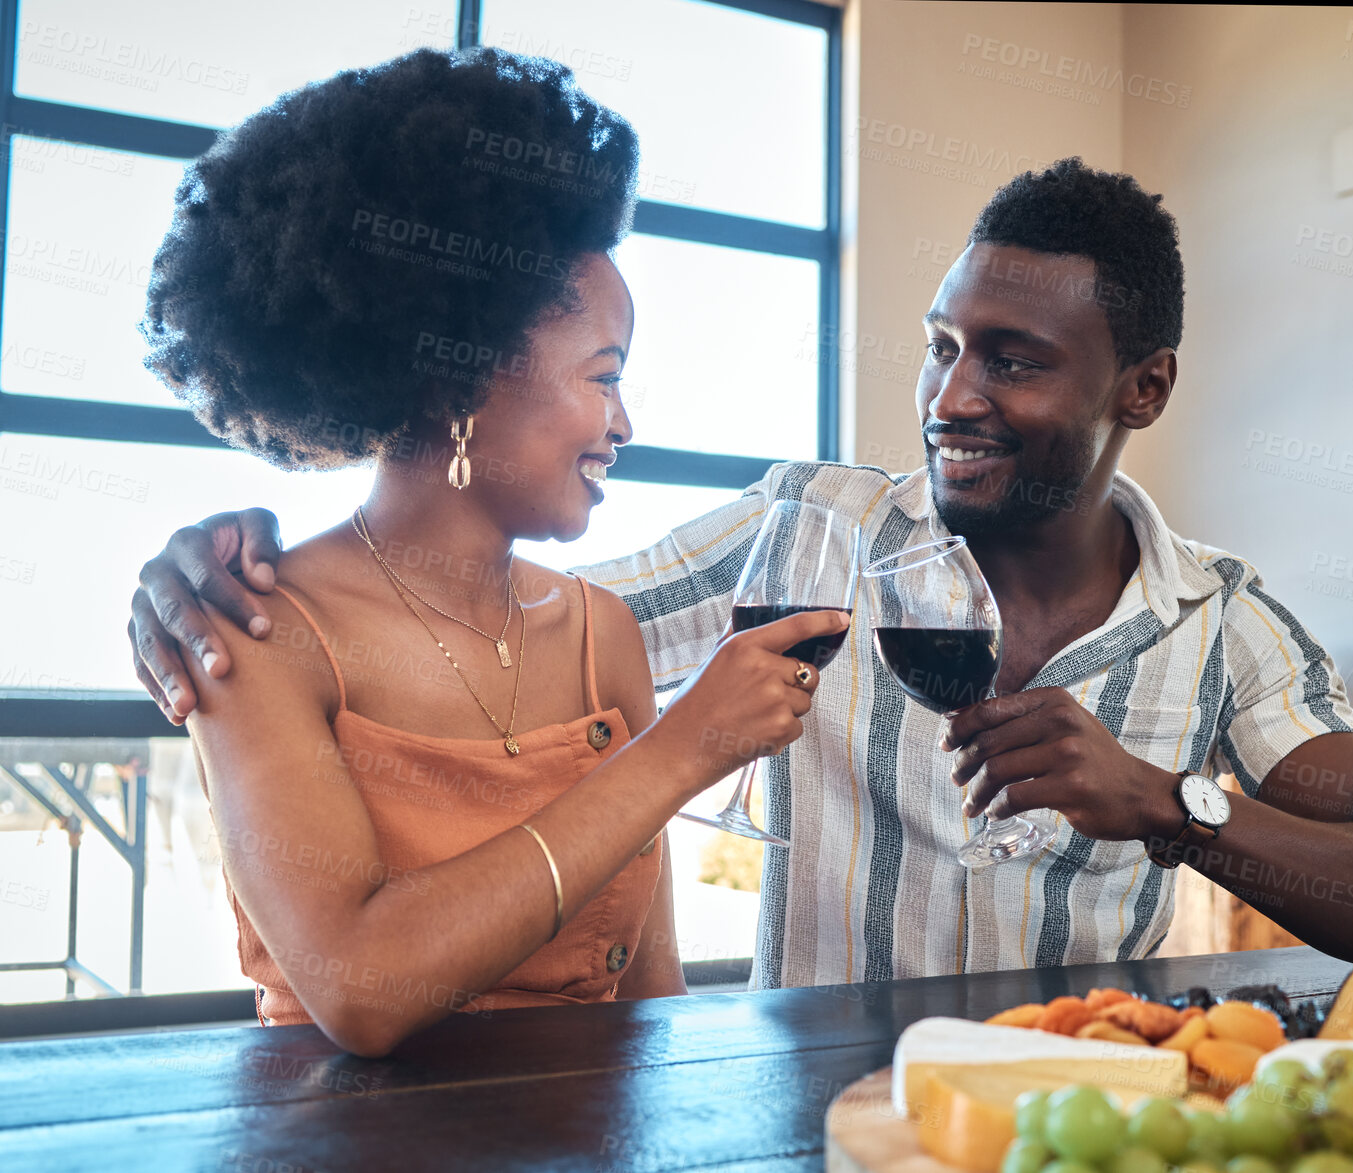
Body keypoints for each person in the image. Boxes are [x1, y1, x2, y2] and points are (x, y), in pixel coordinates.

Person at [131, 158, 1353, 991]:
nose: (951, 394)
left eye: (1010, 359)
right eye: (939, 344)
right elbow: (478, 617)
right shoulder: (801, 539)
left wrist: (1166, 805)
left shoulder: (1222, 627)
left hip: (1074, 1124)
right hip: (812, 1128)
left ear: (1144, 386)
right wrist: (225, 564)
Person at [128, 47, 845, 1056]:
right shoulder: (260, 628)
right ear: (461, 380)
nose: (623, 423)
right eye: (603, 376)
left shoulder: (601, 635)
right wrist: (683, 753)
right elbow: (363, 989)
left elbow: (651, 1000)